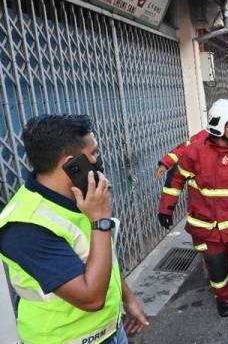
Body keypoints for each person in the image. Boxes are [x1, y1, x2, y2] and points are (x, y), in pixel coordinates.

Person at [0, 114, 148, 344]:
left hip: (111, 330)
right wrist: (100, 220)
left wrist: (127, 299)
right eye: (94, 154)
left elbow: (101, 255)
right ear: (72, 164)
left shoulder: (79, 198)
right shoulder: (25, 227)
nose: (99, 160)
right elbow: (91, 299)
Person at [158, 99, 228, 318]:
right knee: (216, 265)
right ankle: (223, 297)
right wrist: (166, 208)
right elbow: (176, 180)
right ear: (219, 126)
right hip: (206, 223)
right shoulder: (195, 150)